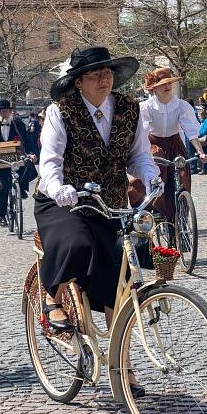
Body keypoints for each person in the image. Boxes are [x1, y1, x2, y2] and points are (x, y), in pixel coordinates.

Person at [34, 45, 158, 377]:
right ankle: (52, 299)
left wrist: (149, 175)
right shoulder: (61, 111)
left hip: (111, 202)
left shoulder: (130, 110)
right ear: (77, 82)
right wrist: (59, 188)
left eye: (108, 72)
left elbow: (138, 155)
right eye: (95, 74)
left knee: (121, 275)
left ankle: (122, 365)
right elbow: (49, 162)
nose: (105, 79)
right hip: (64, 201)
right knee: (78, 245)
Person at [139, 67, 207, 219]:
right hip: (153, 144)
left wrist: (200, 152)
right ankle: (157, 210)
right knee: (157, 169)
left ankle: (182, 213)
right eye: (163, 84)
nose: (167, 86)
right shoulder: (146, 107)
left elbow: (190, 131)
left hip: (175, 144)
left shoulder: (182, 106)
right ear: (154, 88)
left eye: (169, 83)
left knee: (182, 173)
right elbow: (143, 133)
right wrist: (142, 154)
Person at [0, 100, 37, 227]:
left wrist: (31, 153)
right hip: (0, 161)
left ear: (10, 112)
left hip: (16, 159)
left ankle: (21, 188)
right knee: (4, 186)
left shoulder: (18, 124)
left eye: (6, 111)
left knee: (28, 166)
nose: (4, 113)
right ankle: (2, 216)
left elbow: (27, 141)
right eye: (1, 111)